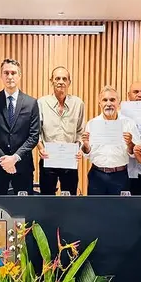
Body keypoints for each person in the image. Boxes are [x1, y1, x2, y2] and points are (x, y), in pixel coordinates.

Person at [0, 58, 40, 195]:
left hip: (22, 166)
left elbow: (33, 136)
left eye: (13, 73)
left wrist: (14, 158)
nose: (9, 76)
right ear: (1, 76)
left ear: (19, 76)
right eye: (6, 73)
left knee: (25, 211)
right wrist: (4, 159)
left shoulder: (31, 103)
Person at [81, 86, 141, 195]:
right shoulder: (92, 124)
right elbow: (87, 154)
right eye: (105, 100)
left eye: (112, 100)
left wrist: (130, 143)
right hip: (97, 175)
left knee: (120, 211)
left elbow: (136, 153)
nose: (108, 103)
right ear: (100, 103)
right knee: (95, 210)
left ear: (118, 103)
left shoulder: (129, 123)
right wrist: (86, 145)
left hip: (120, 176)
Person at [37, 67, 85, 195]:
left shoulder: (78, 103)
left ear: (69, 82)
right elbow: (37, 132)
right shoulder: (42, 103)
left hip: (69, 159)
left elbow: (80, 131)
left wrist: (79, 149)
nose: (61, 81)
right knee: (46, 199)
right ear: (51, 81)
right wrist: (40, 148)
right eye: (57, 78)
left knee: (70, 201)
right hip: (48, 158)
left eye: (64, 79)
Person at [125, 81, 141, 195]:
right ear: (128, 95)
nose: (139, 95)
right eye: (135, 92)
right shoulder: (119, 115)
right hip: (125, 170)